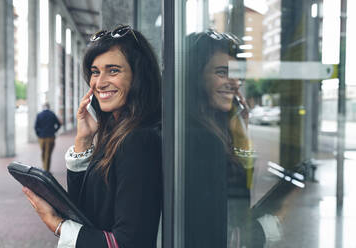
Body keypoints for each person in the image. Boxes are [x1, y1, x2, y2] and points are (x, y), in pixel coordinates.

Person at [23, 25, 162, 248]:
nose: (99, 82)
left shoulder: (138, 140)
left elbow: (130, 242)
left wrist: (58, 225)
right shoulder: (117, 131)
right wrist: (83, 141)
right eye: (95, 71)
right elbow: (86, 215)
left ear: (139, 76)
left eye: (113, 70)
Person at [185, 30, 282, 247]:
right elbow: (232, 217)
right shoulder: (200, 139)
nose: (235, 82)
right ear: (195, 77)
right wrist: (267, 229)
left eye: (237, 74)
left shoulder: (216, 129)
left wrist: (240, 134)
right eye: (222, 73)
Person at [34, 102, 61, 172]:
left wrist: (39, 134)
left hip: (41, 137)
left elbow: (36, 127)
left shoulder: (39, 115)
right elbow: (59, 124)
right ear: (49, 107)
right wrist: (54, 131)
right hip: (50, 137)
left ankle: (44, 168)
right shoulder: (52, 114)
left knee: (43, 152)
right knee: (48, 154)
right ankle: (46, 170)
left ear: (43, 107)